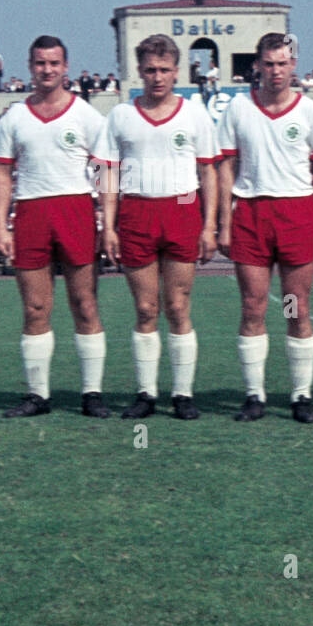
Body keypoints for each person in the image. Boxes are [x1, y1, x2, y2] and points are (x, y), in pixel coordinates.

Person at [93, 34, 219, 420]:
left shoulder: (195, 113)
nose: (157, 77)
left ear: (177, 71)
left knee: (178, 307)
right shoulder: (121, 115)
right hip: (136, 213)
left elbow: (208, 170)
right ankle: (146, 393)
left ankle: (182, 394)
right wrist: (107, 224)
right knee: (146, 308)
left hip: (181, 209)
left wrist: (209, 224)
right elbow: (106, 171)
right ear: (139, 71)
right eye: (150, 70)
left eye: (165, 70)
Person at [216, 33, 313, 422]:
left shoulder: (311, 112)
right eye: (269, 64)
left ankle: (301, 396)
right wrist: (223, 221)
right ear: (257, 66)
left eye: (283, 63)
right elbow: (225, 168)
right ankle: (255, 395)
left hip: (296, 215)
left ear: (293, 65)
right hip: (251, 215)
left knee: (295, 308)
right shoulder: (238, 109)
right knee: (252, 306)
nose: (276, 71)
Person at [0, 36, 108, 417]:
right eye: (40, 63)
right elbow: (2, 174)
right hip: (31, 213)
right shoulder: (14, 117)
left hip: (75, 209)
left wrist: (108, 222)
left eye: (54, 63)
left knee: (85, 304)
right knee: (36, 307)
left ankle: (92, 393)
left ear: (66, 67)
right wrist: (1, 226)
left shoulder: (87, 115)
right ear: (30, 66)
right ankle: (38, 395)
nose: (47, 70)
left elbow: (107, 171)